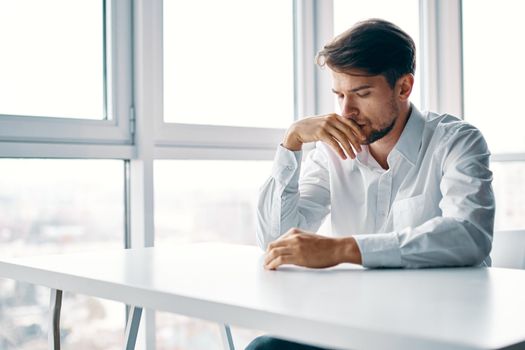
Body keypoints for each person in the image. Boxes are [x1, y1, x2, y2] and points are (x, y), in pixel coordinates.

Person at [246, 18, 495, 350]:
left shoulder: (457, 142)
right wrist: (291, 142)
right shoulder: (331, 151)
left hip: (443, 330)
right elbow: (277, 240)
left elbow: (469, 235)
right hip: (358, 326)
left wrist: (343, 249)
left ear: (403, 87)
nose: (346, 111)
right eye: (339, 95)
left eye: (361, 94)